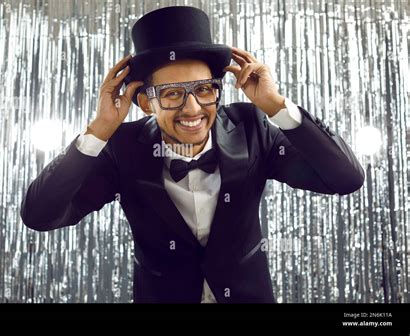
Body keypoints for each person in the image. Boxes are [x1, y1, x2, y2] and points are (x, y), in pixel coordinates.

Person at [20, 6, 365, 303]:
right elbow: (40, 215)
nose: (192, 108)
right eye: (171, 93)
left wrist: (276, 106)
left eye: (203, 89)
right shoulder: (120, 148)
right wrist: (98, 130)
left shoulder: (252, 128)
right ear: (145, 102)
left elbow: (345, 178)